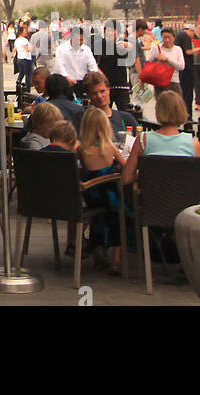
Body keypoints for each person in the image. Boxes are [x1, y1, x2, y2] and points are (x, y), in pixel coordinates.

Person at [78, 106, 129, 274]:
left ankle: (97, 246)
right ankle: (116, 258)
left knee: (99, 216)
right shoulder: (110, 147)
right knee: (122, 211)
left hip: (90, 195)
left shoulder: (82, 149)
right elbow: (126, 167)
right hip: (109, 195)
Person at [75, 71, 139, 139]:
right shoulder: (83, 119)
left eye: (102, 91)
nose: (99, 96)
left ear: (108, 90)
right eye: (94, 93)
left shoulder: (126, 118)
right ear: (88, 95)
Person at [146, 28, 187, 98]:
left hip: (174, 82)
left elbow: (181, 66)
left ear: (174, 38)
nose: (167, 40)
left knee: (175, 106)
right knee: (161, 106)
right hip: (160, 82)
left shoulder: (177, 49)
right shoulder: (156, 48)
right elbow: (147, 63)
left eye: (169, 37)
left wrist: (168, 59)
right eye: (164, 37)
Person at [174, 24, 198, 114]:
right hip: (186, 69)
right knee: (188, 93)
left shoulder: (179, 35)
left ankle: (183, 114)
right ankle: (187, 115)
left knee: (183, 92)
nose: (192, 38)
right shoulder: (185, 36)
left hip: (181, 69)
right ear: (191, 31)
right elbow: (188, 51)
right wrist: (198, 49)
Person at [13, 25, 33, 92]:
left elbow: (15, 49)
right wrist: (32, 47)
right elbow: (27, 49)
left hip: (19, 58)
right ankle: (28, 87)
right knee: (28, 74)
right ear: (22, 32)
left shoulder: (17, 40)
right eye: (25, 31)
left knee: (21, 72)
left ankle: (18, 82)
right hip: (26, 58)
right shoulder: (25, 40)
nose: (26, 32)